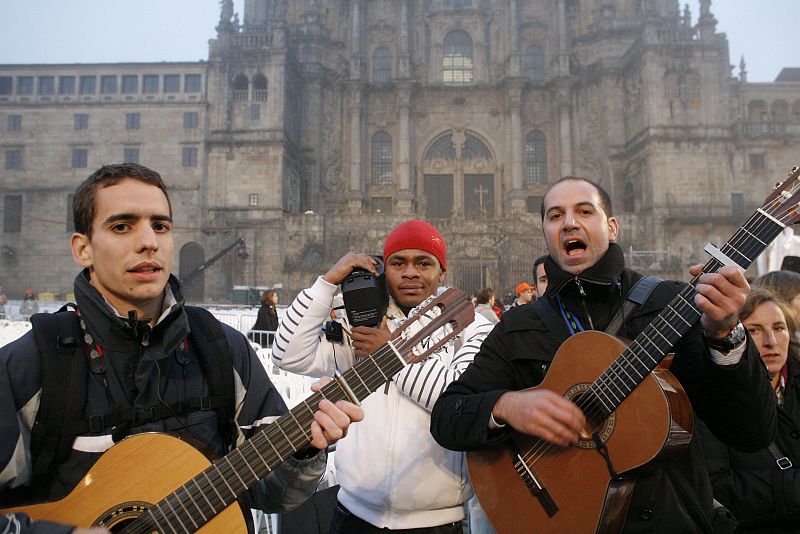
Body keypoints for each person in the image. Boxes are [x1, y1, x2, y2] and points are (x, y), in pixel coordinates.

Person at [0, 163, 363, 533]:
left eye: (160, 226)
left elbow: (270, 495)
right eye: (122, 226)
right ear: (83, 249)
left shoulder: (222, 348)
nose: (149, 242)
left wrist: (303, 451)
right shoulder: (29, 366)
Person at [430, 176, 776, 532]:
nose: (569, 223)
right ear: (546, 234)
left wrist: (725, 335)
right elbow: (446, 416)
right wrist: (506, 406)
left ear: (612, 227)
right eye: (555, 216)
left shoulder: (670, 305)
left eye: (584, 211)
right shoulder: (520, 325)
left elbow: (750, 432)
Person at [272, 219, 494, 533]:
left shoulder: (471, 327)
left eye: (423, 263)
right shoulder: (363, 324)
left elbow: (460, 403)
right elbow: (288, 353)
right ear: (382, 269)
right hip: (352, 514)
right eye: (398, 263)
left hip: (436, 521)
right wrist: (327, 282)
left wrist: (388, 353)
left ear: (442, 272)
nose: (410, 273)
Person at [696, 288, 800, 532]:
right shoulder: (710, 395)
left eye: (779, 328)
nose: (771, 342)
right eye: (753, 330)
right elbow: (715, 488)